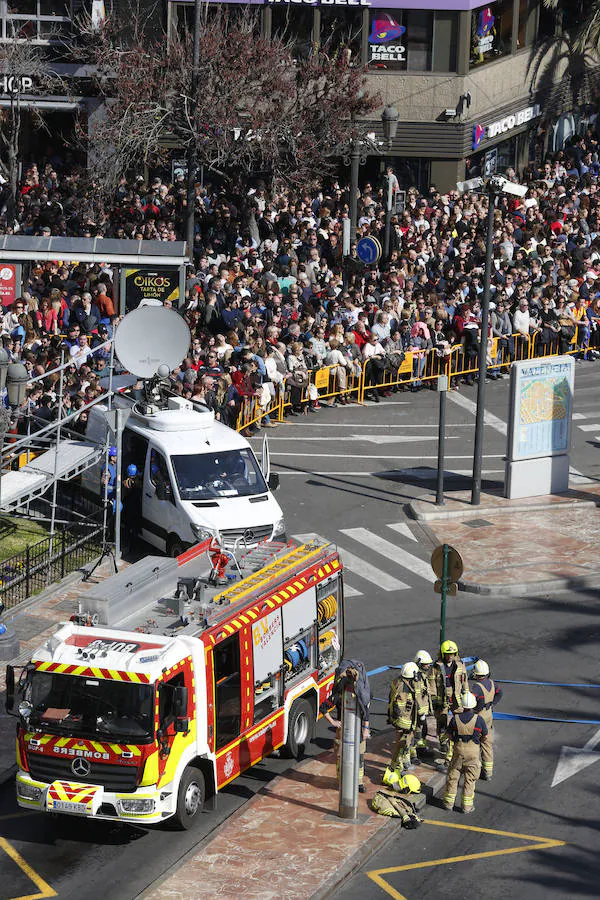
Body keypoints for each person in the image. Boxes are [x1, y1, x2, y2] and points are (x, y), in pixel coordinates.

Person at [320, 659, 371, 794]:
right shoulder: (340, 694)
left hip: (358, 729)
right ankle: (341, 781)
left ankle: (358, 782)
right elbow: (323, 707)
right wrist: (333, 722)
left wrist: (366, 729)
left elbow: (365, 710)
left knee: (359, 757)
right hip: (344, 730)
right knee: (341, 756)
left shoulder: (360, 694)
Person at [442, 690, 488, 814]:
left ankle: (448, 803)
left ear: (462, 705)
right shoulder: (479, 720)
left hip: (458, 751)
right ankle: (466, 807)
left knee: (453, 776)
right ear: (473, 705)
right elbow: (484, 736)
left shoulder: (455, 720)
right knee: (470, 780)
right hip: (473, 753)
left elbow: (449, 735)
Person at [384, 661, 428, 778]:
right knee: (403, 744)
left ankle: (397, 765)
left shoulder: (397, 682)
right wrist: (421, 715)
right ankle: (397, 767)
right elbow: (417, 701)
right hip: (406, 721)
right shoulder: (408, 687)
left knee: (401, 743)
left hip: (397, 719)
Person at [433, 640, 467, 764]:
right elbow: (432, 684)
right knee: (441, 722)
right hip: (442, 698)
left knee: (458, 721)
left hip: (456, 697)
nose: (450, 656)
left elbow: (464, 680)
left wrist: (466, 693)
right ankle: (443, 743)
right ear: (442, 654)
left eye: (452, 654)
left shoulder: (460, 664)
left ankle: (453, 746)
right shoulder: (436, 667)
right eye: (447, 654)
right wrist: (434, 699)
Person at [469, 658, 502, 781]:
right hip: (489, 715)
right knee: (487, 743)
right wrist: (493, 704)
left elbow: (475, 701)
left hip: (480, 716)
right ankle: (488, 772)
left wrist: (475, 710)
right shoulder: (493, 683)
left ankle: (474, 770)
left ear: (476, 674)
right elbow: (500, 693)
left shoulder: (477, 687)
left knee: (475, 743)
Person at [413, 649, 435, 754]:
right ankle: (414, 753)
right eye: (426, 664)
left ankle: (421, 748)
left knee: (423, 729)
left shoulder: (422, 675)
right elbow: (417, 695)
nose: (428, 666)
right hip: (417, 709)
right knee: (417, 730)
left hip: (422, 709)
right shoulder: (416, 677)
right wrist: (421, 712)